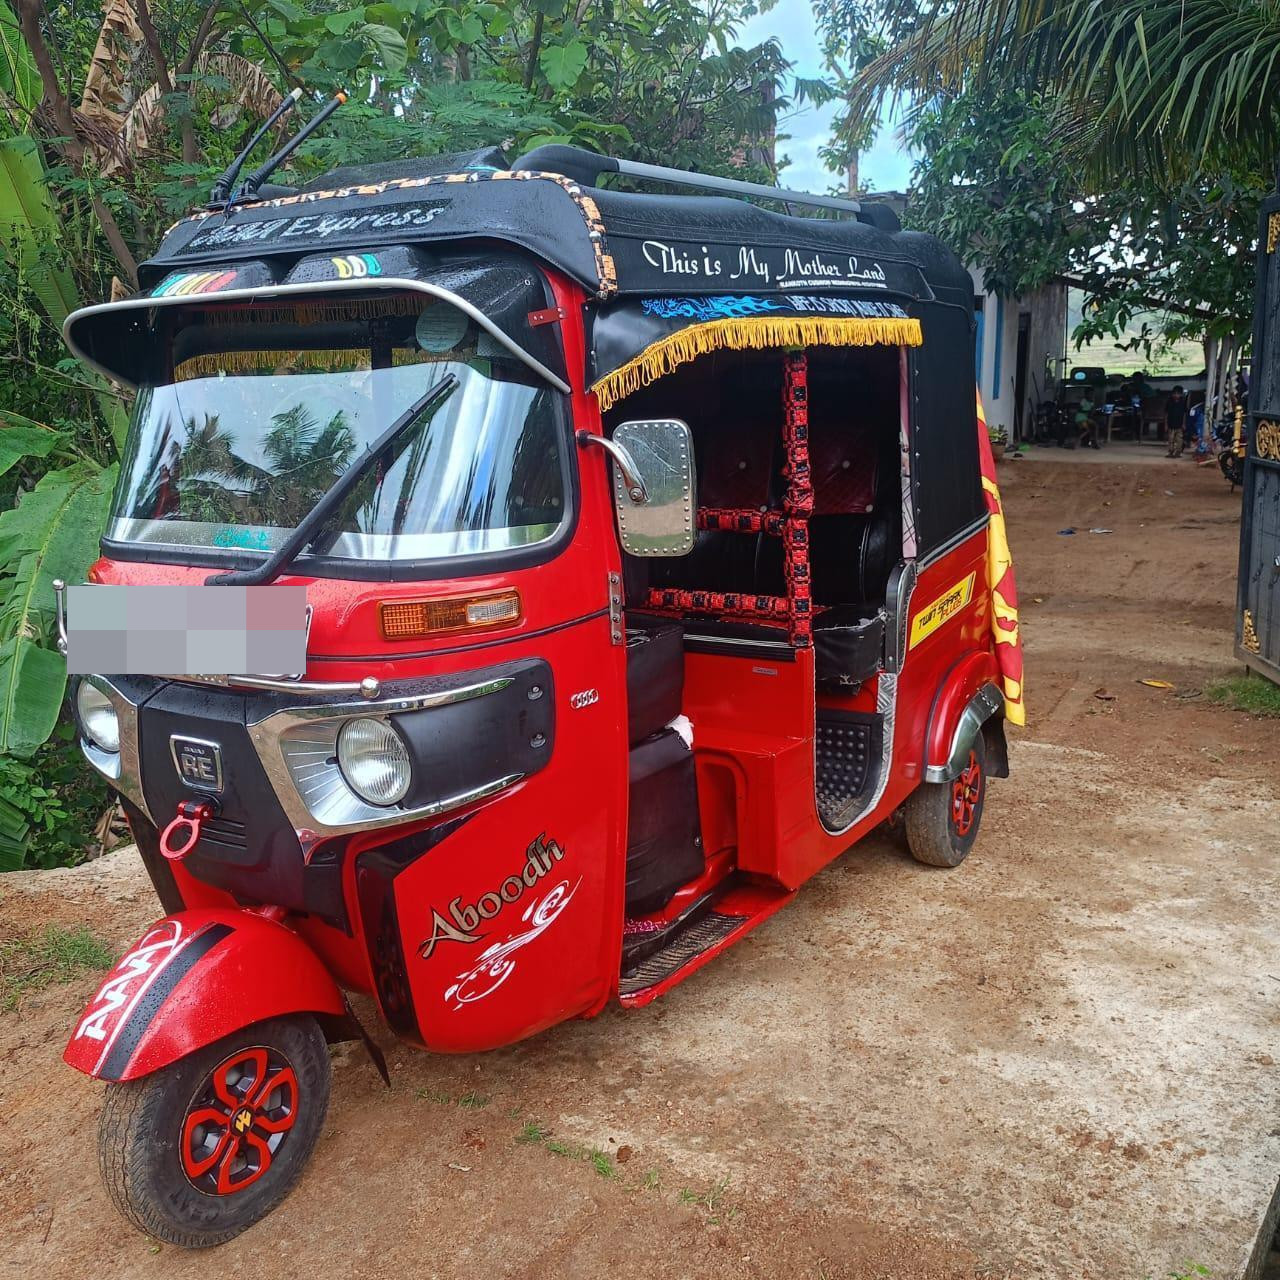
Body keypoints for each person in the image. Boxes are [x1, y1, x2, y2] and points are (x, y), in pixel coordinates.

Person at [1165, 386, 1188, 457]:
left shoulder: (1183, 403)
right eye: (1174, 393)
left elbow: (1184, 414)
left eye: (1178, 394)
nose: (1176, 395)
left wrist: (1184, 424)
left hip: (1179, 425)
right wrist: (1165, 425)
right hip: (1171, 424)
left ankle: (1178, 452)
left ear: (1181, 394)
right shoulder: (1169, 402)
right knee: (1170, 439)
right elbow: (1166, 414)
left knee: (1179, 440)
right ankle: (1170, 452)